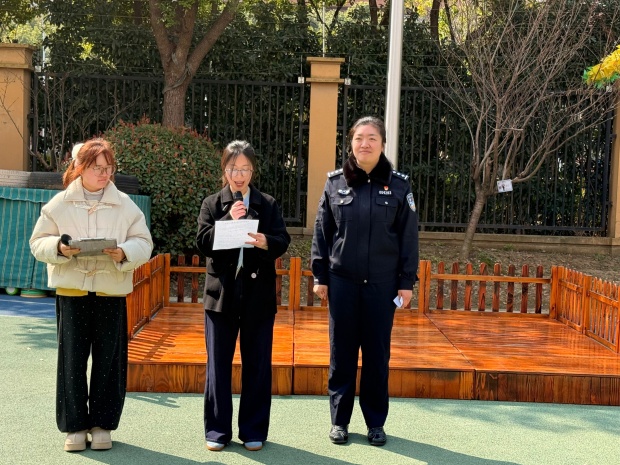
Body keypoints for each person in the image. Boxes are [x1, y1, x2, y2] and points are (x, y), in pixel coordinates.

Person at [29, 138, 153, 452]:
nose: (104, 174)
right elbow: (37, 242)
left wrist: (124, 252)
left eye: (109, 168)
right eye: (97, 168)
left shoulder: (125, 204)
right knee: (71, 360)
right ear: (80, 167)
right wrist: (59, 247)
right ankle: (74, 427)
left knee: (109, 360)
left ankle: (102, 426)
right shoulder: (59, 204)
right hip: (72, 291)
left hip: (111, 292)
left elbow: (144, 242)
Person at [310, 116, 419, 447]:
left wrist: (406, 282)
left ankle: (375, 423)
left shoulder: (399, 186)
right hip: (342, 283)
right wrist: (320, 275)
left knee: (376, 356)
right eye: (359, 138)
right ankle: (339, 422)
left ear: (382, 143)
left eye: (372, 138)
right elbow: (322, 232)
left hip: (382, 287)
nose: (365, 144)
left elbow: (408, 237)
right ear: (351, 143)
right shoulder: (335, 184)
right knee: (341, 354)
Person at [196, 140, 290, 452]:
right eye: (233, 168)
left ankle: (253, 430)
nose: (239, 175)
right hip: (220, 297)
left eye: (245, 169)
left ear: (252, 171)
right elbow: (203, 242)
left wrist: (265, 242)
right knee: (218, 366)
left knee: (258, 366)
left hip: (257, 297)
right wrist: (228, 221)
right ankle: (217, 431)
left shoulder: (267, 204)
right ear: (225, 170)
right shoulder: (212, 204)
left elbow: (282, 239)